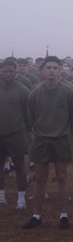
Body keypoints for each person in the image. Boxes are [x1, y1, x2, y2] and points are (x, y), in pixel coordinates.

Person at [23, 56, 73, 229]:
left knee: (62, 177)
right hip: (41, 140)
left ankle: (63, 216)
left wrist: (70, 139)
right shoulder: (35, 92)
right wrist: (34, 138)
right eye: (48, 67)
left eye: (55, 67)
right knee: (40, 179)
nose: (52, 71)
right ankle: (36, 215)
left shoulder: (69, 92)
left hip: (61, 140)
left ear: (61, 70)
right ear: (42, 71)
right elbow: (29, 119)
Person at [0, 57, 31, 210]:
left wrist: (28, 131)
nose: (7, 74)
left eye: (11, 71)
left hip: (17, 133)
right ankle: (1, 196)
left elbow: (28, 113)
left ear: (16, 71)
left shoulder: (23, 90)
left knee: (20, 167)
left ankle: (21, 197)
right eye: (5, 71)